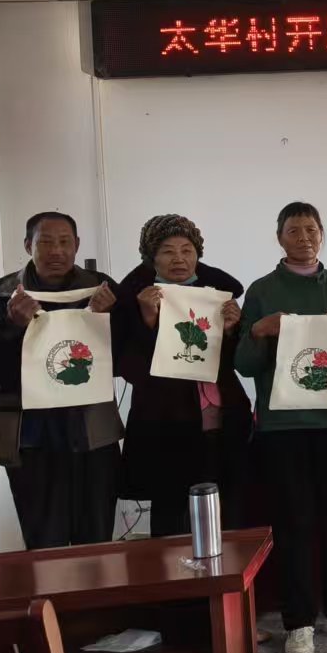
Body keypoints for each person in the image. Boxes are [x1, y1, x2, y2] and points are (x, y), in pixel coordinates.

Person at [235, 201, 327, 653]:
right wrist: (260, 331)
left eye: (311, 229)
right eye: (294, 230)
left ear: (322, 235)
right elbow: (243, 363)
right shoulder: (262, 290)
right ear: (280, 238)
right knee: (293, 521)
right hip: (283, 425)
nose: (304, 237)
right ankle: (298, 620)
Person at [0, 211, 120, 550]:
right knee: (44, 540)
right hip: (31, 436)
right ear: (27, 245)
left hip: (92, 432)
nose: (56, 251)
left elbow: (128, 358)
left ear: (77, 245)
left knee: (97, 537)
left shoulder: (102, 289)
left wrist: (110, 319)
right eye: (45, 242)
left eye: (64, 242)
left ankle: (99, 587)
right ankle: (49, 587)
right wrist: (9, 325)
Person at [112, 214, 251, 538]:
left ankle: (225, 573)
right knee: (171, 520)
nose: (179, 259)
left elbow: (238, 363)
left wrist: (232, 330)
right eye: (168, 251)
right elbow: (128, 369)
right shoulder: (134, 301)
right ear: (151, 258)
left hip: (221, 421)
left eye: (187, 250)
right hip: (166, 426)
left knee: (228, 515)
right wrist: (147, 322)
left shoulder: (218, 296)